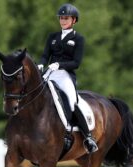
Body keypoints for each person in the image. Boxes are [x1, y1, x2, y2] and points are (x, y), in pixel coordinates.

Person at [38, 3, 98, 154]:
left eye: (66, 18)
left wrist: (59, 64)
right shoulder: (52, 37)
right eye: (61, 18)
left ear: (74, 20)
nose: (63, 20)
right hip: (50, 72)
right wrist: (41, 64)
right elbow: (46, 55)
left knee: (72, 101)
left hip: (65, 75)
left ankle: (88, 137)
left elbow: (76, 63)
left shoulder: (78, 39)